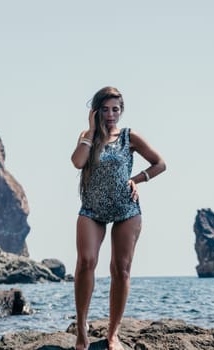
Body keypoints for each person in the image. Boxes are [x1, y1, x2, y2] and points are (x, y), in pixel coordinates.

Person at [71, 86, 166, 350]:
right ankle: (82, 330)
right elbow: (78, 162)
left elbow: (160, 163)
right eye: (105, 109)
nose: (111, 115)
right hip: (92, 209)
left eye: (116, 109)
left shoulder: (129, 137)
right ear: (96, 111)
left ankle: (113, 334)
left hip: (126, 209)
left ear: (121, 111)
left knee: (121, 269)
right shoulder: (87, 137)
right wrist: (91, 132)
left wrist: (137, 179)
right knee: (86, 262)